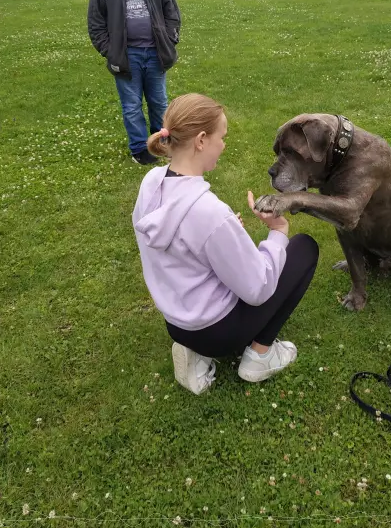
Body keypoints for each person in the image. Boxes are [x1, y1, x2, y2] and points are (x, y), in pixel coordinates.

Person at [132, 93, 319, 395]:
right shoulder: (209, 213)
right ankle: (260, 355)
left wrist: (226, 233)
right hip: (216, 332)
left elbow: (180, 246)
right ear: (202, 140)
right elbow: (258, 288)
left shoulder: (151, 182)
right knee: (304, 248)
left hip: (176, 323)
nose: (225, 144)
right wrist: (278, 231)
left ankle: (193, 355)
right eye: (223, 137)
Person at [87, 0, 181, 166]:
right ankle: (141, 148)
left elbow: (171, 10)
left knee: (159, 102)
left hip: (155, 53)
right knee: (131, 105)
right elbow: (96, 23)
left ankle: (161, 143)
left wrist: (170, 40)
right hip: (125, 56)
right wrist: (111, 52)